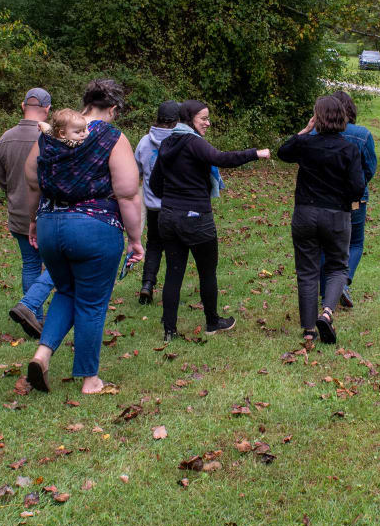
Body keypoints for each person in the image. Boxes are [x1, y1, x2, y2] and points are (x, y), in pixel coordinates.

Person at [24, 79, 145, 395]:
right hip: (94, 227)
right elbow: (128, 192)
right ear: (113, 109)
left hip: (50, 224)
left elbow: (32, 179)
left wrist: (34, 222)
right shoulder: (112, 137)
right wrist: (135, 238)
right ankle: (90, 379)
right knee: (92, 302)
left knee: (66, 290)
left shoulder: (53, 133)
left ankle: (43, 354)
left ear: (86, 102)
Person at [149, 100, 271, 342]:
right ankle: (213, 321)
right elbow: (222, 158)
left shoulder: (167, 142)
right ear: (190, 118)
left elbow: (154, 184)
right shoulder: (194, 142)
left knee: (174, 273)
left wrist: (174, 198)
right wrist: (255, 154)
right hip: (195, 218)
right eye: (203, 118)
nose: (208, 122)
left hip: (169, 217)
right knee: (207, 272)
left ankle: (169, 330)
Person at [277, 96, 365, 344]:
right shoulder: (349, 149)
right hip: (336, 214)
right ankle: (326, 313)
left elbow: (283, 152)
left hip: (305, 213)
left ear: (317, 118)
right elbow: (357, 188)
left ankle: (308, 329)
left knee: (307, 271)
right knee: (337, 266)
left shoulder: (306, 144)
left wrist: (305, 130)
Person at [0, 89, 55, 339]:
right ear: (48, 109)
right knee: (59, 264)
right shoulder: (51, 137)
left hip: (18, 214)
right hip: (48, 213)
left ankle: (36, 316)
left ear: (23, 106)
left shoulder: (5, 139)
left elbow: (1, 180)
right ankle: (33, 310)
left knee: (30, 264)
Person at [322, 90, 376, 309]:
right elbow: (370, 167)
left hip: (325, 198)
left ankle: (327, 287)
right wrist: (359, 183)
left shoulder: (319, 134)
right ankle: (343, 282)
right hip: (354, 199)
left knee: (326, 244)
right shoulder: (362, 134)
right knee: (354, 242)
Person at [133, 101, 180, 306]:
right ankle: (171, 290)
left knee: (153, 245)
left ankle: (147, 285)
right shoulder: (182, 140)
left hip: (153, 206)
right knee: (176, 248)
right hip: (176, 205)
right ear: (177, 120)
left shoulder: (144, 142)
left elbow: (136, 172)